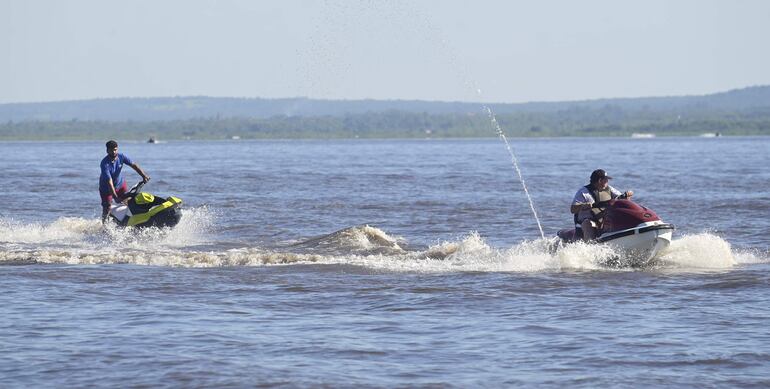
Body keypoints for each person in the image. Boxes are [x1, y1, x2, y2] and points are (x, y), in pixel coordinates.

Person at [571, 169, 633, 241]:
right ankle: (590, 246)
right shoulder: (583, 192)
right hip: (586, 223)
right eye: (606, 180)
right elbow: (572, 209)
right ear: (600, 180)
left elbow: (620, 200)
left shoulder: (609, 189)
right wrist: (583, 206)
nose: (607, 182)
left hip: (603, 221)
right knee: (588, 223)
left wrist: (627, 196)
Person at [100, 140, 150, 223]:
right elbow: (109, 182)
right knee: (107, 208)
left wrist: (144, 175)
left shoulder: (121, 157)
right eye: (111, 150)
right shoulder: (104, 164)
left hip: (120, 185)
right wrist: (115, 197)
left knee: (129, 201)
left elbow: (134, 165)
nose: (113, 152)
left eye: (115, 149)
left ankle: (130, 220)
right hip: (106, 189)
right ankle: (104, 226)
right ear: (107, 150)